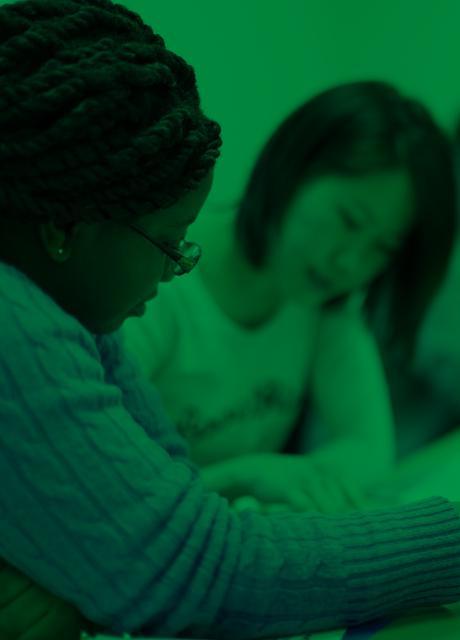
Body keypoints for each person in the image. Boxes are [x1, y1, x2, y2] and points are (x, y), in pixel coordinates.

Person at [1, 1, 460, 639]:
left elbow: (173, 507)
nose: (174, 271)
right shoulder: (29, 322)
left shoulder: (84, 314)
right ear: (64, 228)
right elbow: (191, 565)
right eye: (168, 242)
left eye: (382, 249)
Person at [120, 72, 457, 515]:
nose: (350, 263)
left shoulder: (322, 305)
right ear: (293, 169)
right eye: (349, 220)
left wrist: (270, 479)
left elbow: (368, 449)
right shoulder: (163, 284)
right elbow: (105, 479)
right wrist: (245, 476)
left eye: (382, 247)